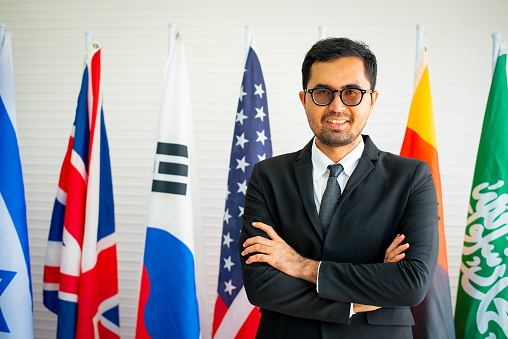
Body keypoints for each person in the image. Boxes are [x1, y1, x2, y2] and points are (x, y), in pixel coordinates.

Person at [239, 37, 439, 338]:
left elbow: (410, 282)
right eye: (322, 92)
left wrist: (300, 266)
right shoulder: (268, 176)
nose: (336, 106)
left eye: (351, 93)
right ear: (304, 98)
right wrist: (357, 302)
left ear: (372, 99)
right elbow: (261, 284)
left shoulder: (411, 177)